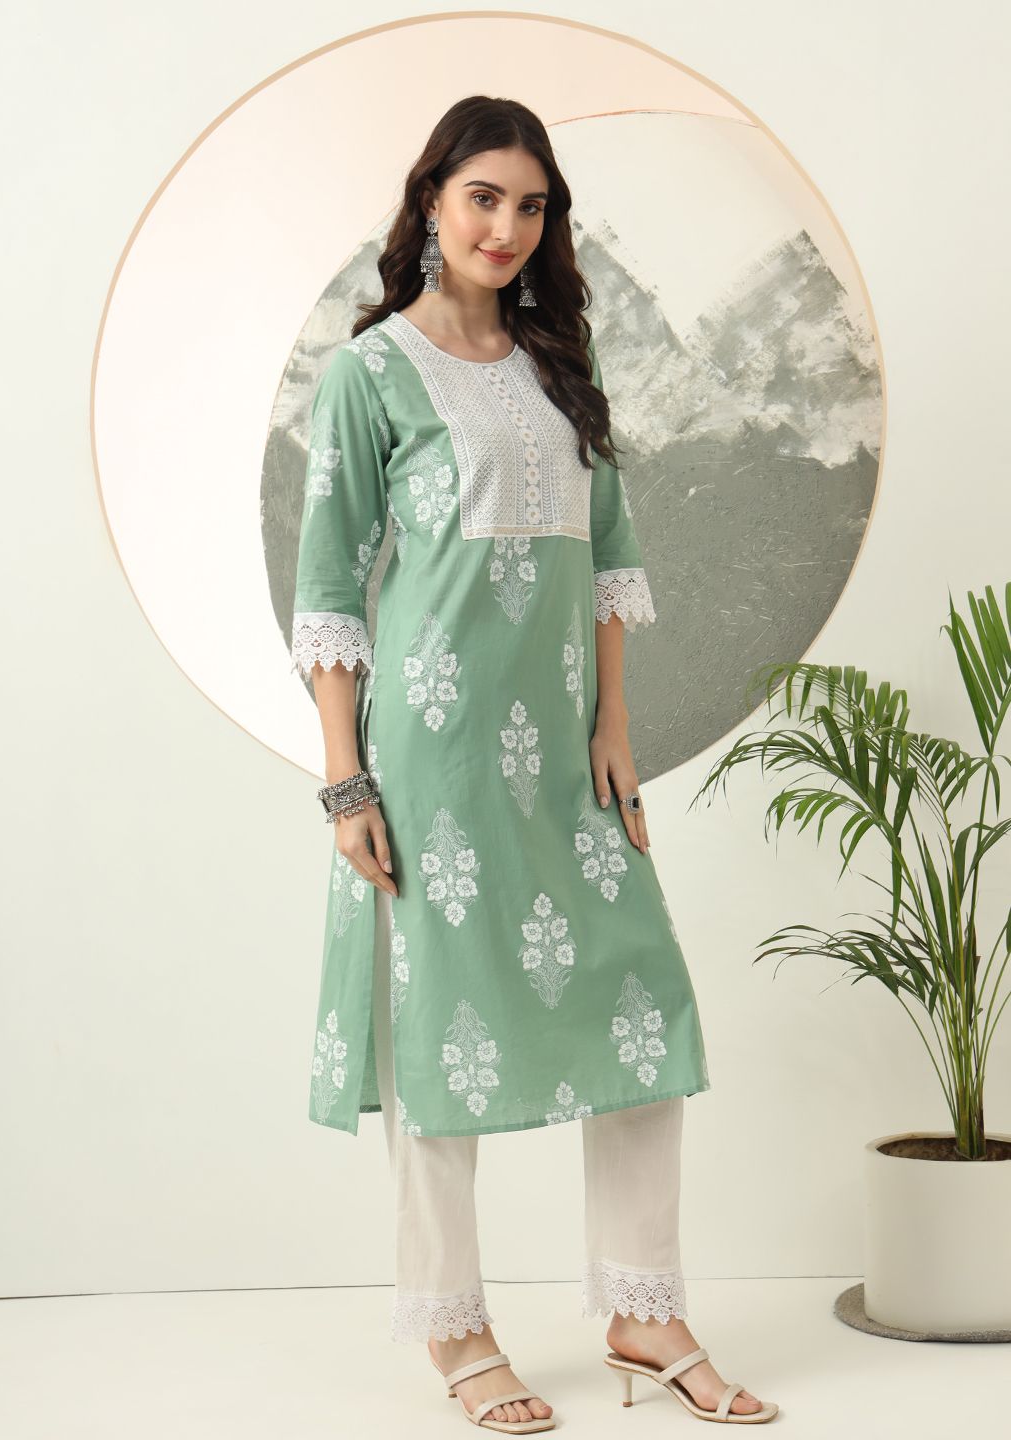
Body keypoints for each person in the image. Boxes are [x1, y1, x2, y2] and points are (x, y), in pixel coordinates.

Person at [291, 95, 777, 1431]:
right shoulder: (371, 373)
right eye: (483, 197)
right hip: (432, 758)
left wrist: (614, 727)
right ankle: (456, 1329)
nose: (506, 226)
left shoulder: (562, 366)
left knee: (642, 1008)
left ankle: (642, 1309)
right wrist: (346, 780)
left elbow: (612, 559)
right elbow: (328, 586)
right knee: (435, 1036)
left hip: (565, 756)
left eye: (531, 204)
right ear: (431, 202)